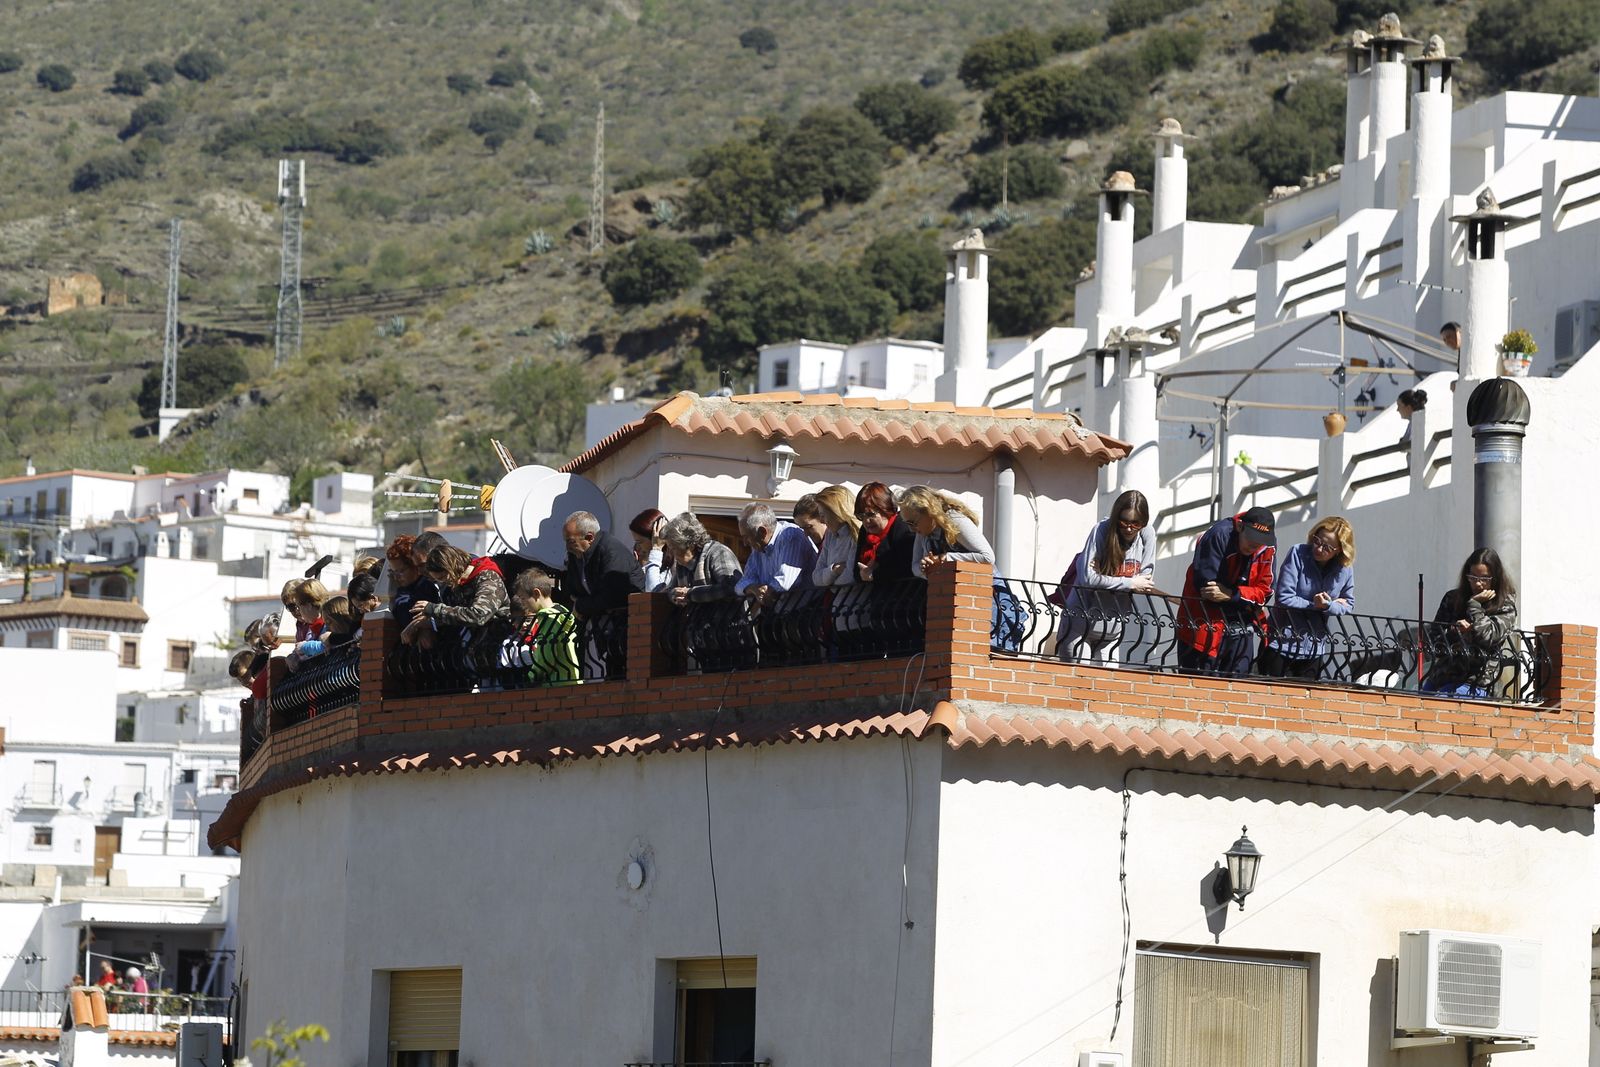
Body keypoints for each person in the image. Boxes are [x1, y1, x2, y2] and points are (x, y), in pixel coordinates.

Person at [897, 485, 1024, 652]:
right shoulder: (923, 533)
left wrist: (945, 559)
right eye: (907, 524)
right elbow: (915, 565)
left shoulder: (954, 520)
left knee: (992, 650)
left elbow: (987, 557)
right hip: (952, 601)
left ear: (928, 512)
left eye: (913, 523)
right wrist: (925, 568)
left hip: (986, 596)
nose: (912, 529)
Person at [1054, 489, 1157, 665]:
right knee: (1079, 685)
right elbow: (1088, 579)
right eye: (1124, 522)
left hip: (1113, 629)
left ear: (1143, 522)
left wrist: (1107, 578)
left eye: (1136, 523)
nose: (1130, 528)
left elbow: (1145, 581)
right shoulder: (1101, 530)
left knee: (1107, 687)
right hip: (1079, 624)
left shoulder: (1147, 534)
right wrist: (1130, 582)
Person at [1175, 507, 1276, 676]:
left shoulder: (1267, 544)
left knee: (1237, 691)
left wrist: (1231, 595)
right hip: (1203, 629)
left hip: (1243, 631)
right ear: (1240, 527)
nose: (1255, 545)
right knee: (1198, 690)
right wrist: (1245, 596)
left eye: (1260, 541)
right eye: (1251, 538)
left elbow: (1265, 592)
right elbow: (1208, 589)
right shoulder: (1218, 534)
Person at [1258, 517, 1355, 680]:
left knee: (1304, 701)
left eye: (1327, 547)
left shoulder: (1344, 568)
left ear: (1339, 550)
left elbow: (1349, 603)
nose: (1319, 548)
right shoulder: (1298, 553)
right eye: (1317, 541)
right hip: (1281, 641)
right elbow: (1284, 597)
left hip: (1314, 647)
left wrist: (1328, 605)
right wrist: (1316, 605)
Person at [1422, 547, 1519, 699]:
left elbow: (1489, 637)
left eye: (1485, 578)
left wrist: (1474, 605)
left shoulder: (1505, 605)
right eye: (1473, 577)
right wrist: (1455, 632)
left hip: (1476, 682)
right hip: (1441, 676)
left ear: (1496, 577)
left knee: (1442, 703)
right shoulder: (1452, 599)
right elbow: (1432, 641)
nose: (1479, 584)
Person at [562, 511, 645, 675]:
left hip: (626, 630)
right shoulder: (577, 555)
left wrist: (582, 605)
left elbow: (612, 596)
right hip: (604, 629)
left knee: (621, 675)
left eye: (571, 541)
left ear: (589, 537)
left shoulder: (611, 552)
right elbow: (572, 589)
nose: (567, 546)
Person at [405, 544, 511, 646]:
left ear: (451, 567)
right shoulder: (462, 581)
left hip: (500, 644)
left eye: (442, 577)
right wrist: (428, 621)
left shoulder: (487, 577)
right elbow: (458, 613)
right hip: (480, 647)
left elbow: (478, 615)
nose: (443, 583)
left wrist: (434, 609)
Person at [734, 502, 817, 610]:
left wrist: (764, 591)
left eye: (747, 537)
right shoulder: (758, 548)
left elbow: (785, 582)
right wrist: (752, 588)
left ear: (762, 532)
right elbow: (740, 585)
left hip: (809, 611)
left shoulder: (790, 535)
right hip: (780, 613)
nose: (744, 543)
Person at [506, 569, 579, 685]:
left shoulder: (547, 618)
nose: (523, 603)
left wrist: (532, 676)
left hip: (555, 684)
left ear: (536, 594)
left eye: (523, 598)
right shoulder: (560, 612)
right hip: (569, 680)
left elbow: (547, 654)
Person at [663, 513, 744, 604]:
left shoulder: (718, 553)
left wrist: (691, 594)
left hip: (725, 617)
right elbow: (669, 591)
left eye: (673, 548)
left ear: (691, 545)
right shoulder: (682, 565)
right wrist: (675, 594)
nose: (669, 554)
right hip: (696, 618)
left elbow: (731, 586)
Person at [854, 482, 915, 585]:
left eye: (870, 514)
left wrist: (875, 573)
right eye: (861, 516)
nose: (866, 521)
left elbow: (906, 567)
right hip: (877, 598)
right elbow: (856, 572)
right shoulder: (865, 532)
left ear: (886, 509)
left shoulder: (902, 526)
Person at [387, 535, 443, 624]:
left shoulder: (429, 585)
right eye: (394, 572)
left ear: (414, 565)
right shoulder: (404, 591)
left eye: (401, 571)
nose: (396, 577)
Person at [628, 508, 670, 593]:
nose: (637, 547)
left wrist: (656, 549)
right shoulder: (644, 561)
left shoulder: (672, 567)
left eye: (640, 542)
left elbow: (652, 592)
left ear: (656, 538)